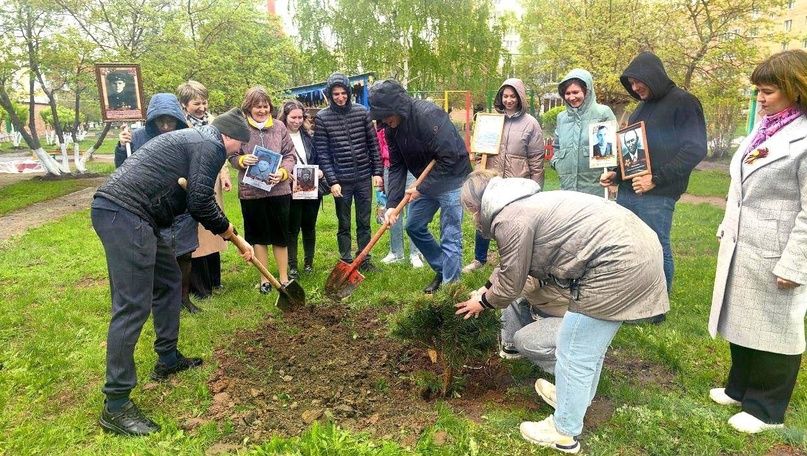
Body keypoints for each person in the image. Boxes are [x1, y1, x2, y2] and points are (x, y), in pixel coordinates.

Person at [455, 170, 668, 454]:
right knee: (587, 346)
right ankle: (575, 398)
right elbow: (512, 267)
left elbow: (510, 285)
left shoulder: (510, 220)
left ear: (480, 204)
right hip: (636, 247)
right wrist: (484, 288)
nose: (472, 217)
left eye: (471, 210)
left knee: (574, 349)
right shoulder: (521, 204)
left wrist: (482, 302)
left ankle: (564, 431)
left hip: (617, 262)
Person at [92, 108, 253, 436]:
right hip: (123, 213)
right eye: (240, 146)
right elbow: (200, 202)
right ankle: (116, 405)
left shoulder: (198, 140)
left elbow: (184, 194)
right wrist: (232, 234)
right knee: (132, 306)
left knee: (168, 282)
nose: (237, 153)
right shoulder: (210, 146)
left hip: (140, 218)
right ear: (232, 138)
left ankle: (167, 358)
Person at [708, 49, 807, 434]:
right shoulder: (768, 127)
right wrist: (727, 227)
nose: (760, 100)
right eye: (757, 92)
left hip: (781, 247)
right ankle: (740, 388)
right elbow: (742, 187)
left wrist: (795, 263)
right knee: (744, 315)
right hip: (744, 242)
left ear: (795, 90)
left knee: (777, 327)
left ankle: (767, 409)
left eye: (767, 92)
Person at [601, 52, 707, 306]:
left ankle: (657, 305)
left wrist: (656, 179)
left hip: (657, 195)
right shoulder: (641, 107)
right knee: (628, 246)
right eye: (631, 84)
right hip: (628, 191)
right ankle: (633, 297)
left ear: (653, 76)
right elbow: (634, 149)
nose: (635, 88)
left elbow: (695, 148)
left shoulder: (685, 102)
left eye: (638, 81)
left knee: (656, 247)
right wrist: (618, 172)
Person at [369, 79, 472, 293]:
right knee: (413, 226)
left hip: (453, 179)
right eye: (381, 117)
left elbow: (451, 157)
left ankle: (451, 289)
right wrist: (392, 204)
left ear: (398, 108)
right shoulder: (392, 128)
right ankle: (444, 270)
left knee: (450, 235)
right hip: (425, 182)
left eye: (387, 115)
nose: (385, 121)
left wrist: (420, 189)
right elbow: (397, 166)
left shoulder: (427, 115)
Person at [114, 93, 202, 314]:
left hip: (181, 204)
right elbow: (122, 170)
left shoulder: (187, 136)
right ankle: (157, 301)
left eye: (169, 120)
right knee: (153, 257)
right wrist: (120, 147)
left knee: (184, 254)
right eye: (159, 121)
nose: (165, 126)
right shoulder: (136, 138)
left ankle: (183, 299)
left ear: (177, 119)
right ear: (151, 120)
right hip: (151, 207)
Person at [463, 78, 544, 273]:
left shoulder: (530, 124)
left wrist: (536, 185)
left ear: (520, 98)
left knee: (514, 222)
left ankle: (509, 260)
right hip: (493, 179)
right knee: (483, 217)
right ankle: (479, 259)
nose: (509, 100)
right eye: (505, 96)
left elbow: (536, 158)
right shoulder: (491, 120)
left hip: (517, 182)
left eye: (513, 96)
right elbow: (481, 148)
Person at [229, 87, 296, 293]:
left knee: (280, 235)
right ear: (249, 107)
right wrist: (241, 160)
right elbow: (231, 155)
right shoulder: (240, 129)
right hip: (251, 193)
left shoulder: (279, 127)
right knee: (258, 236)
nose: (262, 110)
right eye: (257, 106)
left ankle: (284, 279)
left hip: (279, 191)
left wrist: (283, 173)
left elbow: (290, 154)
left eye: (265, 106)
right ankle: (265, 279)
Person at [315, 72, 383, 271]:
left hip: (363, 177)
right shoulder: (322, 117)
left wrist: (377, 171)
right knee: (343, 222)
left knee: (364, 221)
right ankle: (345, 259)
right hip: (341, 180)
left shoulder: (362, 112)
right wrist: (332, 180)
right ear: (330, 95)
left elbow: (373, 145)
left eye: (343, 93)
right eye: (335, 94)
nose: (340, 97)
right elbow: (323, 153)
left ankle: (364, 259)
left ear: (348, 93)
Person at [177, 80, 232, 299]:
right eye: (196, 103)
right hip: (192, 182)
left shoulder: (213, 122)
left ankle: (215, 280)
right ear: (184, 105)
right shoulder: (181, 125)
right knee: (198, 233)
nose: (202, 107)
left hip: (214, 180)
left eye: (204, 102)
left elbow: (222, 152)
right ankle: (200, 286)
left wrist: (225, 174)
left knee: (215, 226)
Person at [484, 276, 568, 374]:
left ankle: (572, 370)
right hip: (544, 305)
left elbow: (528, 280)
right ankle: (512, 348)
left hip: (570, 318)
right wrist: (485, 288)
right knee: (510, 293)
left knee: (522, 340)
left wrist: (484, 301)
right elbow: (505, 268)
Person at [552, 69, 616, 196]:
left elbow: (613, 148)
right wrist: (557, 163)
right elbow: (557, 146)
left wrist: (611, 173)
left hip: (596, 187)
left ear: (587, 92)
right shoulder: (562, 118)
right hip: (567, 187)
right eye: (567, 93)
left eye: (576, 92)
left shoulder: (602, 113)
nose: (571, 97)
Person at [278, 100, 324, 278]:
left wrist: (320, 171)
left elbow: (318, 157)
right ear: (285, 117)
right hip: (290, 188)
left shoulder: (309, 135)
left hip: (310, 186)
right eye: (293, 117)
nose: (297, 121)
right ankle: (292, 265)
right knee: (292, 227)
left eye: (300, 117)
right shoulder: (279, 136)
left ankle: (309, 263)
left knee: (309, 226)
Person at [376, 122, 423, 268]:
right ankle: (396, 252)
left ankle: (415, 253)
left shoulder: (405, 121)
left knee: (412, 208)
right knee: (393, 210)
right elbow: (378, 148)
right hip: (389, 167)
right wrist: (380, 174)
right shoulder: (379, 124)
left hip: (410, 167)